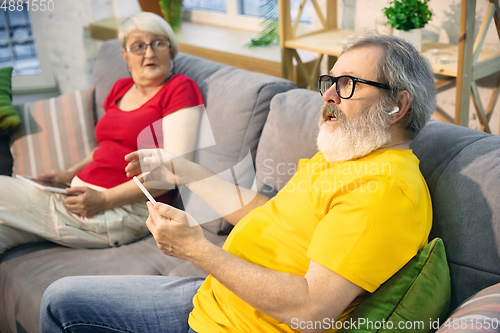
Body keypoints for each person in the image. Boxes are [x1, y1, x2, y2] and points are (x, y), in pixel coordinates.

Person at [40, 33, 436, 333]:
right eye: (329, 81)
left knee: (60, 303)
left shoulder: (385, 188)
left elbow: (312, 312)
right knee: (61, 296)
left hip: (235, 323)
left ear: (397, 106)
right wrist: (183, 170)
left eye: (348, 84)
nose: (329, 95)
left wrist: (198, 250)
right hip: (217, 293)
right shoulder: (346, 152)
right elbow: (268, 213)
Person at [0, 12, 204, 254]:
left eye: (158, 43)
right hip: (81, 197)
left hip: (125, 209)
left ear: (171, 50)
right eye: (139, 46)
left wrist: (104, 200)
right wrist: (68, 173)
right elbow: (106, 146)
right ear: (125, 56)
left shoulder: (179, 88)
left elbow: (173, 169)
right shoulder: (120, 88)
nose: (149, 53)